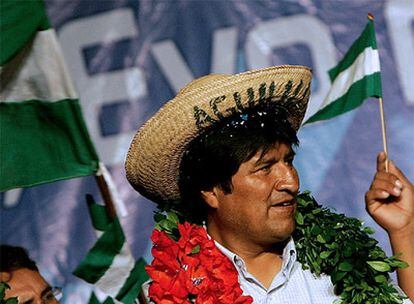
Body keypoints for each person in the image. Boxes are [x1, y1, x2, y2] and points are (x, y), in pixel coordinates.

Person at [125, 66, 413, 302]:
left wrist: (403, 230)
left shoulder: (339, 266)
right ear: (211, 190)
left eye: (288, 161)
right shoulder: (171, 295)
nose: (290, 181)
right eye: (264, 168)